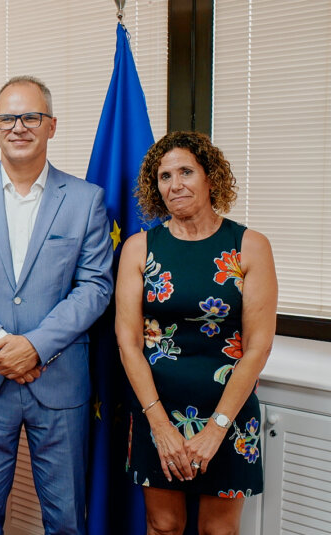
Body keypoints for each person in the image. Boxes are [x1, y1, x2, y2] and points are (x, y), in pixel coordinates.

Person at [0, 75, 114, 534]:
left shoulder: (86, 200)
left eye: (31, 116)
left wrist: (33, 346)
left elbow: (94, 287)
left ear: (52, 126)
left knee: (68, 521)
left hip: (60, 381)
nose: (19, 127)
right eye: (8, 117)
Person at [116, 131, 277, 535]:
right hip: (157, 409)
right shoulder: (139, 248)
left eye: (186, 171)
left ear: (210, 177)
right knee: (164, 525)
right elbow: (129, 343)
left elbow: (258, 347)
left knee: (218, 532)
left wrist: (217, 428)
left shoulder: (250, 246)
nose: (175, 185)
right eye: (165, 177)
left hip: (230, 411)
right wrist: (160, 426)